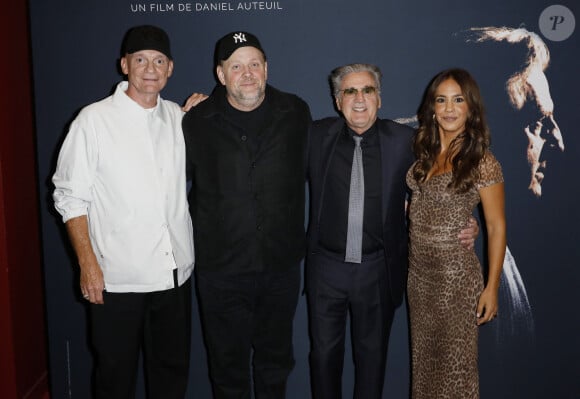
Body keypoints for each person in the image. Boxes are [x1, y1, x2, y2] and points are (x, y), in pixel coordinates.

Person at [305, 63, 478, 399]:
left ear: (379, 100)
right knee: (323, 358)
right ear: (337, 100)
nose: (359, 98)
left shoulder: (404, 142)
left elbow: (447, 176)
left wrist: (465, 219)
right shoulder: (314, 136)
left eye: (368, 90)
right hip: (326, 270)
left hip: (377, 270)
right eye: (350, 91)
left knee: (372, 361)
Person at [52, 25, 195, 399]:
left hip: (174, 275)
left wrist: (199, 111)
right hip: (118, 279)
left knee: (171, 375)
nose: (150, 68)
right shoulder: (93, 121)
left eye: (159, 60)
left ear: (170, 69)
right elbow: (70, 197)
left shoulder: (180, 120)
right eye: (141, 59)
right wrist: (87, 264)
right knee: (115, 378)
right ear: (125, 65)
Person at [181, 31, 312, 398]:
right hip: (221, 272)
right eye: (236, 66)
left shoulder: (296, 112)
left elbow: (327, 165)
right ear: (221, 75)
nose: (247, 73)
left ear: (266, 69)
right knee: (227, 370)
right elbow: (163, 185)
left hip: (280, 267)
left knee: (275, 365)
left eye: (254, 63)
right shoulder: (195, 121)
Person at [406, 68, 506, 398]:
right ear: (432, 108)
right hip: (419, 282)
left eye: (458, 100)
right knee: (424, 371)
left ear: (470, 108)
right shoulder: (424, 152)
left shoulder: (482, 160)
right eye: (442, 100)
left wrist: (492, 287)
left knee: (457, 373)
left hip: (456, 284)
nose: (449, 108)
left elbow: (495, 226)